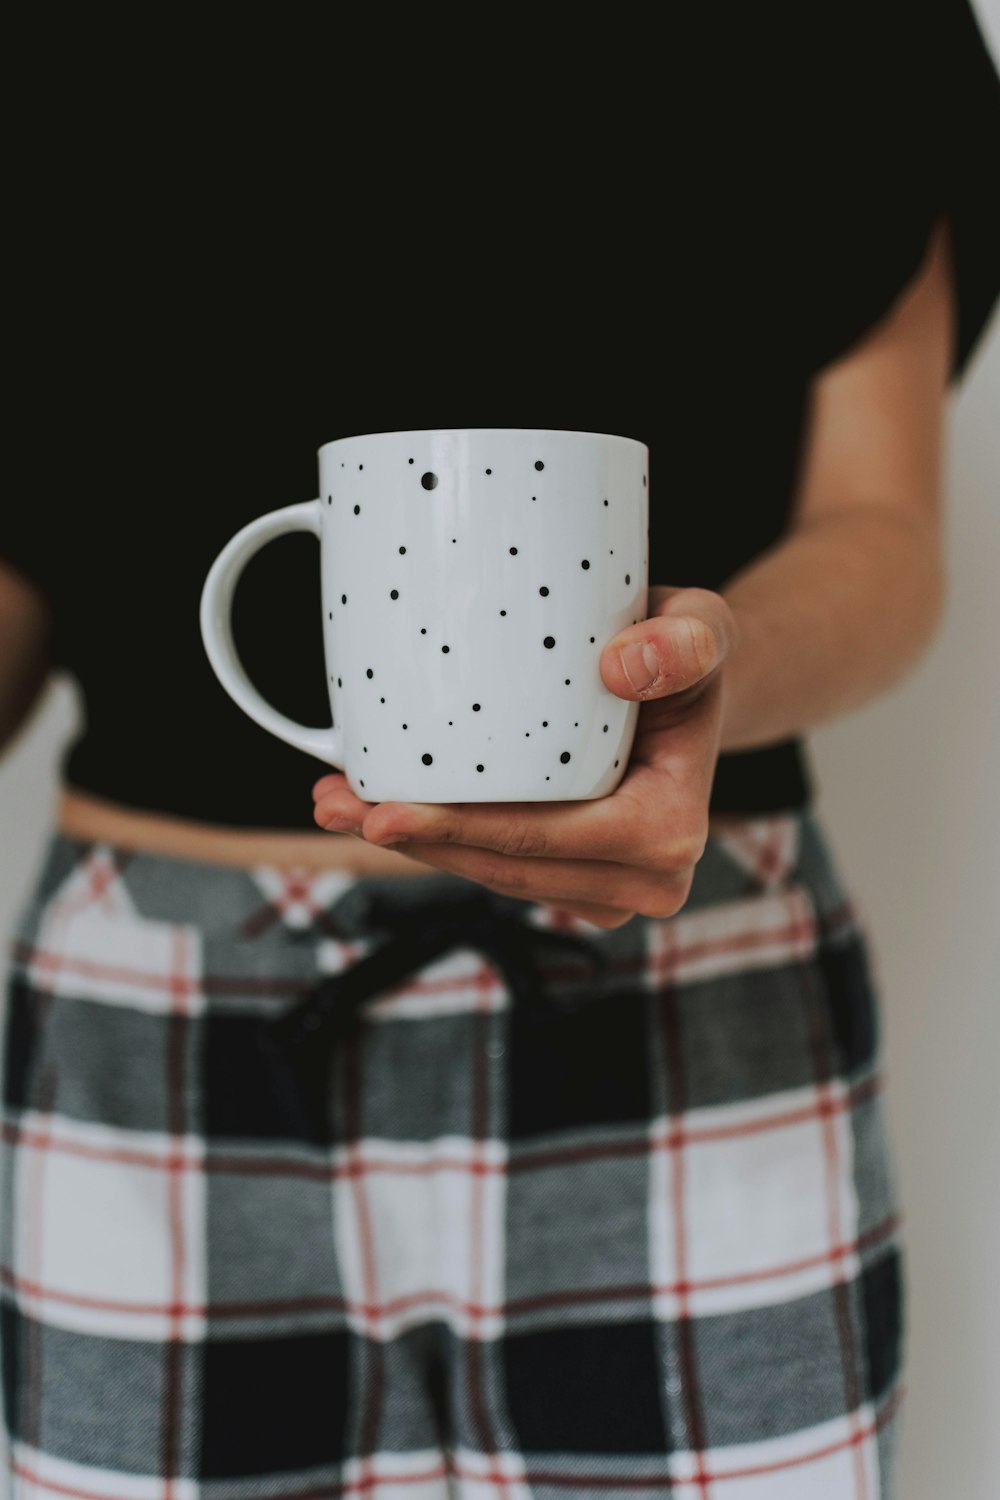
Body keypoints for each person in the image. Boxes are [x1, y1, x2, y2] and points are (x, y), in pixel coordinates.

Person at [2, 5, 998, 1497]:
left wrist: (697, 683)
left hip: (697, 999)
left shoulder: (855, 29)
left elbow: (881, 532)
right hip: (151, 1034)